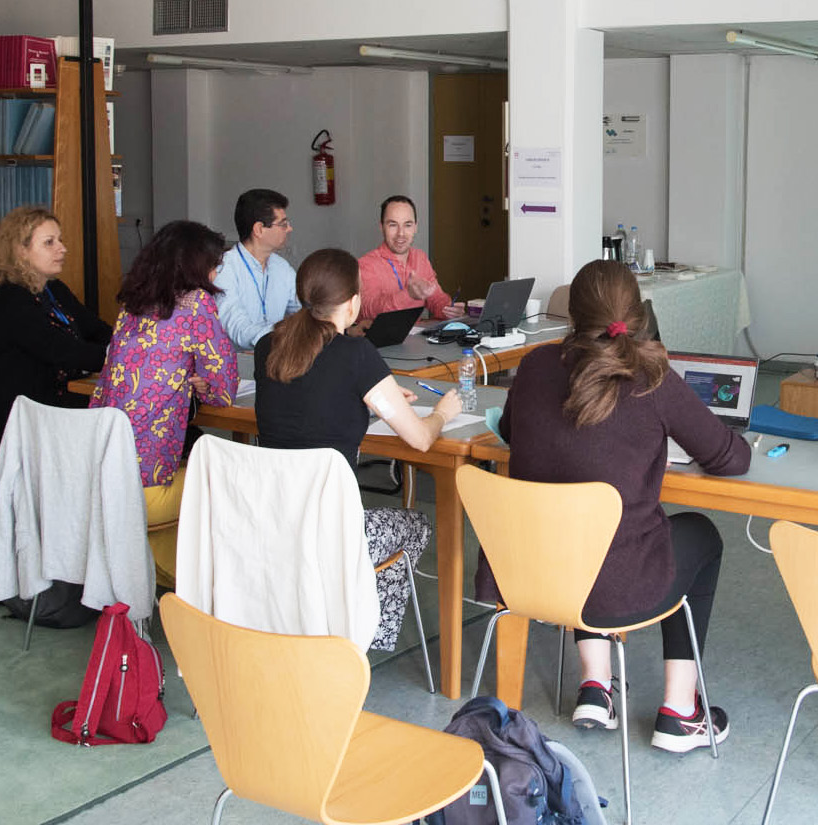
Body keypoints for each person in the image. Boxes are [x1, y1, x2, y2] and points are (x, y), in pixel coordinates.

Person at [485, 260, 750, 752]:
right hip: (614, 586)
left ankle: (595, 684)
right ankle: (679, 710)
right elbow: (731, 458)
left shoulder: (536, 365)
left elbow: (514, 430)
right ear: (638, 312)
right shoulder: (652, 376)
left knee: (574, 532)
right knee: (702, 536)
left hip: (534, 573)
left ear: (570, 316)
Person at [253, 248, 461, 651]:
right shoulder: (355, 355)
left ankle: (320, 622)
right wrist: (441, 413)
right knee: (415, 524)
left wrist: (373, 394)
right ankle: (360, 640)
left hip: (272, 522)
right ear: (353, 303)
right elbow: (419, 438)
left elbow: (312, 397)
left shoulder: (268, 347)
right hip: (332, 532)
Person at [90, 221, 239, 582]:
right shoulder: (197, 304)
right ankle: (206, 590)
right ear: (196, 266)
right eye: (215, 264)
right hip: (143, 492)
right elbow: (223, 390)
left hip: (97, 479)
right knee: (231, 481)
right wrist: (200, 383)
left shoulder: (131, 306)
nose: (217, 272)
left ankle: (159, 576)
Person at [0, 206, 112, 452]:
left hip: (60, 398)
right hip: (30, 413)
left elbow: (96, 329)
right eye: (49, 242)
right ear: (20, 250)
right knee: (122, 423)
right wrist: (120, 358)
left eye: (59, 240)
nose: (62, 248)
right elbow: (58, 349)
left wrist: (128, 345)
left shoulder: (53, 288)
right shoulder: (7, 298)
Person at [352, 195, 464, 332]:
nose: (401, 234)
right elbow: (369, 311)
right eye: (393, 225)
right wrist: (408, 295)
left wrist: (448, 309)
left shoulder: (420, 258)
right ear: (381, 227)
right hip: (381, 345)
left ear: (416, 227)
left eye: (408, 225)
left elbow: (436, 298)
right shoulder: (366, 264)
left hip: (415, 342)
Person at [212, 188, 301, 350]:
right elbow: (237, 329)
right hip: (237, 367)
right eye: (283, 224)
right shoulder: (225, 268)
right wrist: (283, 331)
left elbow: (303, 308)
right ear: (259, 229)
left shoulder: (281, 267)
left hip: (276, 361)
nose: (289, 229)